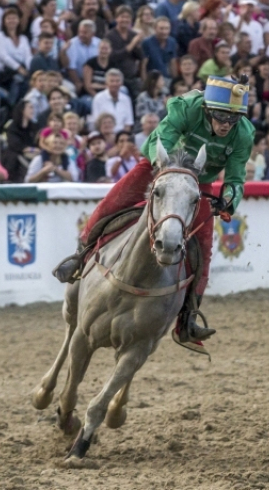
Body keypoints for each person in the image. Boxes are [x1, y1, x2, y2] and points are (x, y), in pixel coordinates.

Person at [53, 76, 255, 350]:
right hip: (160, 166)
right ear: (207, 108)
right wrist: (168, 170)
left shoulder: (243, 132)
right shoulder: (186, 107)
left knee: (204, 248)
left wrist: (227, 200)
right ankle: (80, 256)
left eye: (232, 119)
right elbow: (160, 138)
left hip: (197, 182)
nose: (226, 124)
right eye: (220, 116)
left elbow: (236, 177)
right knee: (113, 202)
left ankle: (187, 318)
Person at [1, 101, 40, 183]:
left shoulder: (34, 127)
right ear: (22, 110)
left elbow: (37, 142)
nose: (32, 110)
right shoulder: (12, 127)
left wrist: (32, 149)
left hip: (31, 154)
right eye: (30, 107)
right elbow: (14, 144)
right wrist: (30, 149)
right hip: (14, 155)